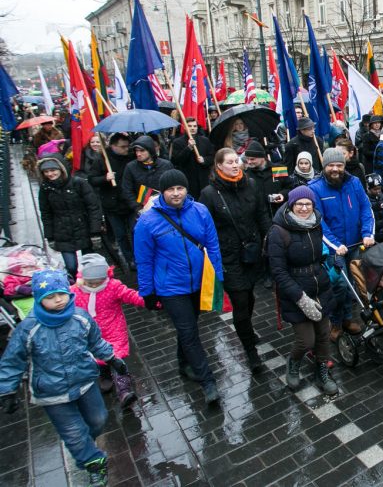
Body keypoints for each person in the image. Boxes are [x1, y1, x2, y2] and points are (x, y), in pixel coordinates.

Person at [0, 270, 123, 487]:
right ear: (39, 298)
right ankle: (93, 462)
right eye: (49, 297)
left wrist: (112, 358)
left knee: (98, 420)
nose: (57, 301)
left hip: (85, 381)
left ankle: (84, 446)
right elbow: (12, 360)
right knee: (74, 432)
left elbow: (96, 341)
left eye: (61, 294)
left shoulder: (80, 317)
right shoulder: (29, 327)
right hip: (52, 392)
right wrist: (7, 390)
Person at [134, 169, 224, 404]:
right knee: (189, 332)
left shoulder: (200, 211)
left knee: (189, 327)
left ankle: (183, 364)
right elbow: (144, 260)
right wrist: (147, 292)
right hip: (171, 288)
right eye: (171, 189)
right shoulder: (147, 221)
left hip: (199, 282)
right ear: (162, 192)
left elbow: (212, 246)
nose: (176, 193)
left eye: (180, 188)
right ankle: (208, 382)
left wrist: (217, 277)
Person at [199, 148, 272, 374]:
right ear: (218, 166)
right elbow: (205, 228)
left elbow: (261, 213)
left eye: (236, 161)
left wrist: (269, 238)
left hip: (252, 253)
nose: (234, 165)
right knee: (240, 303)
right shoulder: (209, 194)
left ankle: (246, 331)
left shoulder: (250, 184)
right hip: (228, 257)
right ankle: (251, 351)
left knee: (249, 298)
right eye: (229, 162)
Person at [268, 187, 338, 395]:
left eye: (308, 204)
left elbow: (320, 254)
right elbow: (278, 272)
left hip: (320, 286)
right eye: (299, 204)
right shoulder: (278, 232)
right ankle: (294, 363)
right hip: (296, 291)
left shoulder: (316, 223)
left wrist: (333, 261)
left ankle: (322, 370)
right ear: (291, 205)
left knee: (323, 335)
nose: (304, 208)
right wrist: (301, 298)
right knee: (306, 340)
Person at [309, 147, 375, 339]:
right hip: (334, 250)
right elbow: (318, 221)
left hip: (355, 245)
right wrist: (335, 245)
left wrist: (367, 233)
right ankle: (336, 322)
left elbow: (365, 208)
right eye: (331, 165)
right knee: (339, 286)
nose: (335, 169)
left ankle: (347, 318)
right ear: (324, 166)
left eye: (339, 165)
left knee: (353, 285)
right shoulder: (315, 188)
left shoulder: (354, 182)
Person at [71, 254, 144, 408]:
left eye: (98, 281)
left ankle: (124, 390)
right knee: (98, 358)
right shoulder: (74, 291)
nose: (94, 285)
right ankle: (105, 375)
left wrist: (147, 300)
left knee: (116, 359)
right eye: (90, 282)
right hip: (90, 334)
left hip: (114, 330)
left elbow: (130, 295)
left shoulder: (113, 286)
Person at [38, 154, 103, 277]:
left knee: (89, 266)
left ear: (61, 169)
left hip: (83, 228)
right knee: (71, 267)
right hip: (62, 231)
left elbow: (93, 207)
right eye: (46, 171)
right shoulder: (45, 188)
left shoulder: (78, 183)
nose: (50, 174)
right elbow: (45, 213)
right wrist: (50, 236)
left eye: (53, 170)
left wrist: (95, 232)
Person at [86, 133, 136, 270]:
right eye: (123, 147)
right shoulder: (102, 159)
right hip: (112, 205)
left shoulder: (131, 157)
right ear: (113, 146)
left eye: (128, 146)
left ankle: (138, 257)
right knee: (120, 234)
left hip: (130, 203)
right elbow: (92, 179)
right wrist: (105, 178)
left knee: (135, 231)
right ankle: (129, 259)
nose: (126, 149)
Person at [122, 135, 174, 213]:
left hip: (165, 208)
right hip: (141, 210)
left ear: (150, 150)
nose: (138, 154)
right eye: (136, 150)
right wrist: (138, 208)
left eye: (142, 150)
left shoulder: (166, 165)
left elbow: (173, 185)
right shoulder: (130, 167)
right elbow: (127, 190)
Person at [243, 140, 290, 219]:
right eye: (247, 159)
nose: (249, 162)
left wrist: (282, 194)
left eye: (252, 159)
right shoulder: (247, 174)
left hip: (280, 214)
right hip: (260, 217)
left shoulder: (278, 169)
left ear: (262, 158)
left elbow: (290, 187)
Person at [170, 117, 216, 194]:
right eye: (190, 126)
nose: (192, 128)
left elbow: (212, 157)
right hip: (188, 179)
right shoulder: (178, 142)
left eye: (195, 126)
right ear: (185, 127)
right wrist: (188, 148)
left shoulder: (205, 140)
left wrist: (204, 160)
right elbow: (176, 160)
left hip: (203, 179)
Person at [365, 173, 383, 243]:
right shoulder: (365, 199)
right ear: (369, 188)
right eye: (375, 189)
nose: (378, 191)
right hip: (372, 230)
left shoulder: (382, 196)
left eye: (379, 188)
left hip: (382, 229)